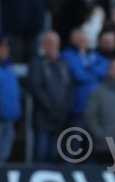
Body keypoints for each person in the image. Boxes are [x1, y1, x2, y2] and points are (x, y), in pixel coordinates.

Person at [29, 31, 72, 162]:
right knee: (41, 152)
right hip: (43, 116)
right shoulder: (37, 63)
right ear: (44, 45)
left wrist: (65, 108)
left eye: (55, 44)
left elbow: (70, 88)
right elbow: (36, 88)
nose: (53, 47)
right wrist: (50, 108)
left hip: (61, 116)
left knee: (55, 153)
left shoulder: (64, 64)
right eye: (50, 43)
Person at [0, 35, 21, 163]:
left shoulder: (9, 67)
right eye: (3, 47)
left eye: (7, 47)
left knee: (5, 154)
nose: (6, 49)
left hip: (10, 118)